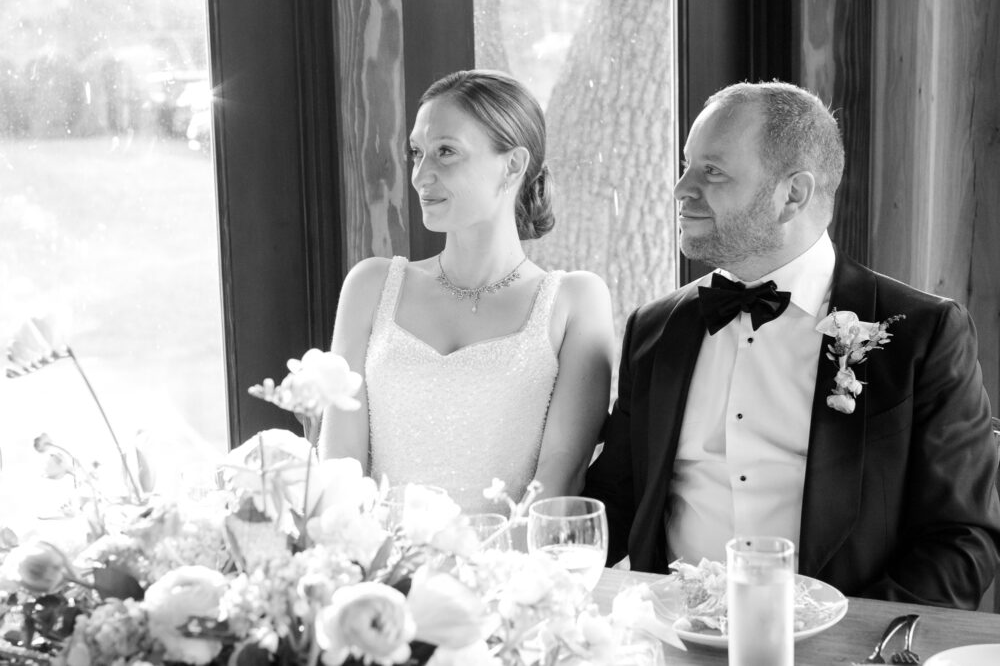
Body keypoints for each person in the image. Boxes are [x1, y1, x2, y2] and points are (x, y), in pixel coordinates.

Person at [584, 80, 1000, 609]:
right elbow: (614, 501)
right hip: (674, 639)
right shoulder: (654, 328)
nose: (682, 188)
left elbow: (962, 541)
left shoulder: (923, 334)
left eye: (711, 171)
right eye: (687, 166)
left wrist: (844, 641)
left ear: (793, 195)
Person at [320, 70, 614, 514]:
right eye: (417, 153)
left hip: (511, 571)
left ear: (512, 164)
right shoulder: (370, 285)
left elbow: (562, 471)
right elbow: (340, 464)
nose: (421, 175)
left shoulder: (574, 301)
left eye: (445, 152)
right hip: (381, 572)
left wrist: (492, 571)